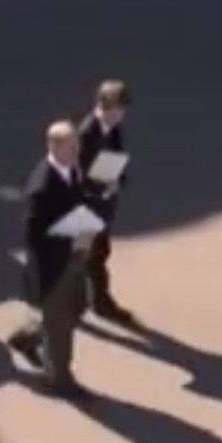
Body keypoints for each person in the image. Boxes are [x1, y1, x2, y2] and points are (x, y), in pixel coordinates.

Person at [6, 120, 95, 400]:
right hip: (53, 267)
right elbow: (35, 234)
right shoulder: (42, 186)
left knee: (78, 305)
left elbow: (76, 196)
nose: (78, 151)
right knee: (61, 327)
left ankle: (28, 337)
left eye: (77, 145)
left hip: (72, 256)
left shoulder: (70, 168)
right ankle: (61, 381)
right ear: (55, 148)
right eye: (72, 147)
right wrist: (71, 237)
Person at [77, 79, 136, 324]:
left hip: (101, 204)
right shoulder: (87, 133)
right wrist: (101, 186)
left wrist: (117, 180)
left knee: (97, 254)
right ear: (104, 105)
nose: (120, 115)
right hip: (84, 205)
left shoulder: (112, 128)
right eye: (117, 109)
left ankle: (100, 302)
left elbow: (117, 155)